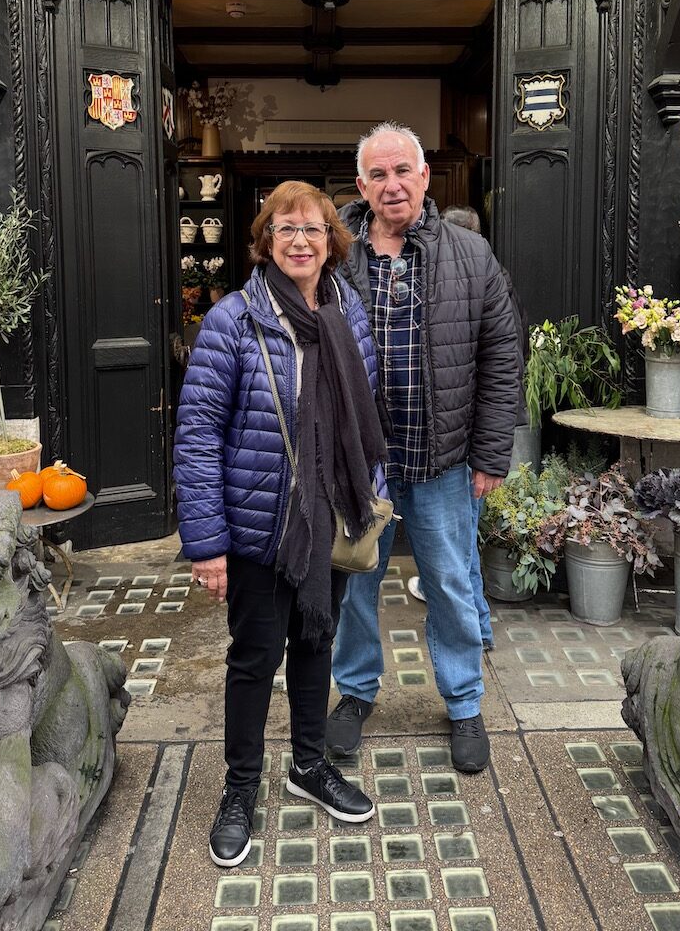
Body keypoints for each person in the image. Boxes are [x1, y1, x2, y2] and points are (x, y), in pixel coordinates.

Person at [174, 181, 385, 867]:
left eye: (313, 229)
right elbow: (198, 436)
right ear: (265, 242)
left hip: (331, 522)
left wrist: (370, 500)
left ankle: (308, 765)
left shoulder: (348, 313)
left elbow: (364, 418)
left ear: (332, 243)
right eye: (285, 229)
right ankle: (240, 788)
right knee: (255, 660)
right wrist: (207, 545)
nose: (300, 241)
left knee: (317, 644)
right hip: (260, 529)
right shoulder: (233, 321)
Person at [327, 123, 522, 774]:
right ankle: (355, 693)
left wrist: (491, 454)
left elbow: (502, 357)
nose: (392, 185)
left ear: (424, 176)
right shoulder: (332, 255)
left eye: (402, 171)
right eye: (378, 175)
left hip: (442, 459)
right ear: (362, 186)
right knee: (356, 584)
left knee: (450, 582)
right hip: (362, 465)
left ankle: (464, 702)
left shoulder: (471, 254)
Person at [407, 203, 530, 640]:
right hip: (455, 438)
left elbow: (504, 361)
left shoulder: (481, 274)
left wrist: (489, 450)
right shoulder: (494, 276)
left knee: (459, 551)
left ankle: (477, 625)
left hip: (460, 441)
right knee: (462, 546)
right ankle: (478, 622)